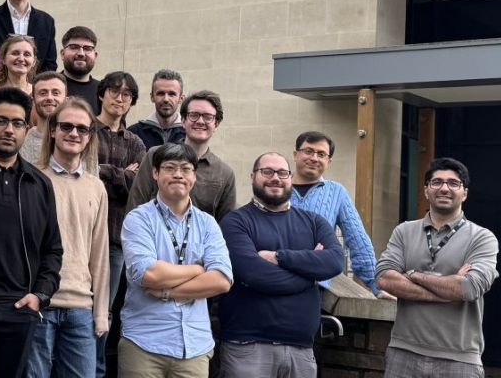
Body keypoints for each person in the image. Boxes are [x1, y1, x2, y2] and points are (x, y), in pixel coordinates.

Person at [0, 88, 64, 378]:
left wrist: (40, 295)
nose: (9, 130)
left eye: (18, 123)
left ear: (27, 129)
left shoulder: (39, 184)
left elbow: (52, 248)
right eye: (1, 121)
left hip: (17, 310)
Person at [218, 153, 345, 378]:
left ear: (291, 177)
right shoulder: (235, 222)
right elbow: (254, 274)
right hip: (247, 346)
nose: (275, 178)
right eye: (267, 172)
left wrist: (279, 257)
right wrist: (309, 274)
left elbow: (335, 261)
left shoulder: (314, 222)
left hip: (302, 350)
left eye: (282, 173)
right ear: (252, 176)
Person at [376, 158, 500, 378]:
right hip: (403, 352)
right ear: (426, 190)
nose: (444, 188)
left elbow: (469, 288)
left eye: (454, 183)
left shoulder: (482, 238)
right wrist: (445, 292)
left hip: (459, 358)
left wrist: (412, 275)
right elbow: (384, 279)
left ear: (465, 193)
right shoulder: (404, 232)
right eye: (437, 182)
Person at [119, 143, 232, 378]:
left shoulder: (208, 224)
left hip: (195, 348)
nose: (178, 174)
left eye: (186, 168)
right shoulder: (138, 219)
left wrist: (168, 292)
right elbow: (148, 275)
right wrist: (198, 269)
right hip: (144, 343)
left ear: (194, 176)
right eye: (170, 168)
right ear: (155, 174)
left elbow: (221, 280)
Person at [27, 98, 110, 378]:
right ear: (52, 130)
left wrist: (100, 312)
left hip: (80, 309)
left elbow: (99, 255)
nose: (74, 133)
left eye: (82, 129)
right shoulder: (33, 180)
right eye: (66, 126)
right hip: (39, 305)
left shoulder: (96, 188)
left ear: (89, 137)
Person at [290, 131, 389, 298]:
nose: (314, 158)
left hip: (314, 287)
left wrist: (375, 285)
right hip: (273, 277)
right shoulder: (276, 186)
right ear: (295, 154)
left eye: (321, 154)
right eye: (308, 151)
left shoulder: (337, 192)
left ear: (328, 161)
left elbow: (358, 240)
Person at [127, 90, 236, 222]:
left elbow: (226, 226)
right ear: (183, 121)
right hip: (151, 240)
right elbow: (135, 207)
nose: (200, 121)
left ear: (216, 124)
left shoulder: (224, 173)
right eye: (194, 115)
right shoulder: (155, 156)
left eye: (208, 117)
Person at [94, 73, 146, 329]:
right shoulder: (85, 130)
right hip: (84, 232)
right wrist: (123, 174)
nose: (120, 97)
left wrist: (103, 171)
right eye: (114, 90)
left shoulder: (135, 142)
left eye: (127, 94)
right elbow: (82, 173)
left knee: (106, 310)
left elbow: (137, 187)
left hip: (116, 237)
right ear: (102, 93)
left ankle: (96, 368)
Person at [128, 70, 186, 150]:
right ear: (152, 97)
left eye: (172, 94)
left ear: (181, 98)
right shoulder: (134, 133)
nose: (166, 99)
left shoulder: (189, 132)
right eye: (161, 93)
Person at [20, 71, 68, 163]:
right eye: (43, 93)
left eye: (56, 93)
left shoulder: (78, 140)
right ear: (33, 101)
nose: (49, 98)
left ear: (66, 101)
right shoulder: (21, 141)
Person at [60, 26, 99, 108]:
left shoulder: (104, 92)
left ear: (95, 56)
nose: (81, 53)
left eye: (87, 48)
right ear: (62, 54)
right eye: (74, 47)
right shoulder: (49, 87)